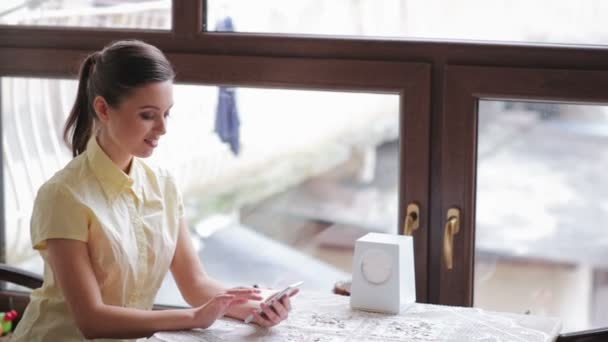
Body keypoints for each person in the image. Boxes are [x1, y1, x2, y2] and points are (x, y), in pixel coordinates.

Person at [11, 40, 297, 341]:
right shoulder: (63, 195)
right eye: (148, 115)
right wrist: (194, 318)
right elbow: (91, 319)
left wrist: (257, 306)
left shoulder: (163, 185)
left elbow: (196, 283)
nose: (162, 128)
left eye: (166, 113)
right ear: (103, 109)